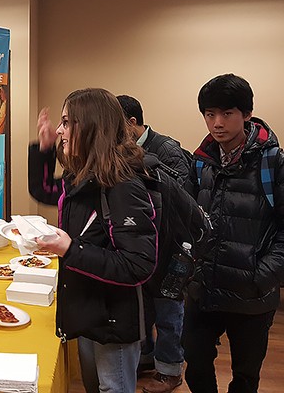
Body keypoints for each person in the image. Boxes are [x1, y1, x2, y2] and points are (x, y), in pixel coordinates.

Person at [32, 88, 158, 392]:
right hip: (89, 308)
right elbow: (45, 191)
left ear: (91, 127)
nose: (60, 130)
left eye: (66, 122)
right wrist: (46, 150)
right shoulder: (85, 175)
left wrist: (70, 249)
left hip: (113, 319)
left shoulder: (123, 185)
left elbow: (138, 265)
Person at [183, 73, 284, 393]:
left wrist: (261, 276)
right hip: (205, 288)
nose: (217, 123)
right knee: (195, 363)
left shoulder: (273, 163)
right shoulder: (202, 162)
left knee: (245, 376)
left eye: (227, 114)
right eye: (209, 114)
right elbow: (189, 217)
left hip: (251, 295)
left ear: (246, 114)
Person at [117, 94, 189, 393]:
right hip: (142, 245)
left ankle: (171, 372)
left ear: (132, 123)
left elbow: (180, 199)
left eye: (118, 125)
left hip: (170, 245)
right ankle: (147, 359)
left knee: (169, 312)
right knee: (144, 309)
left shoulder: (167, 150)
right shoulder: (123, 151)